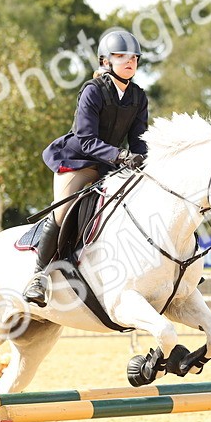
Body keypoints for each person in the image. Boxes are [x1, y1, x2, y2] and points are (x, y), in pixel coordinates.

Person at [23, 29, 149, 307]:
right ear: (106, 62)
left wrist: (144, 162)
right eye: (121, 56)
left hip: (113, 165)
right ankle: (38, 277)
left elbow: (140, 139)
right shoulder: (93, 91)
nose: (130, 61)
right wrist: (121, 155)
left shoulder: (138, 97)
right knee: (61, 212)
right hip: (78, 161)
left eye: (134, 57)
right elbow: (86, 139)